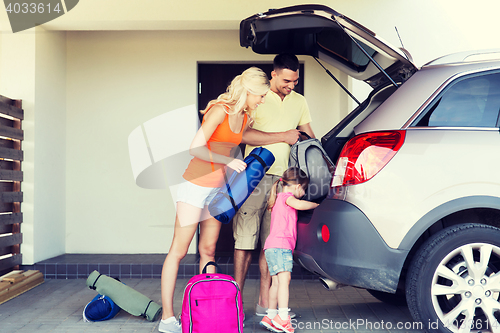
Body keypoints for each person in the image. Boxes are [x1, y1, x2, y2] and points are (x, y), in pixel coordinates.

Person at [158, 67, 270, 333]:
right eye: (261, 95)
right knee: (179, 251)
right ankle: (167, 318)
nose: (262, 100)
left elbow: (232, 147)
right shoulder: (221, 109)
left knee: (208, 250)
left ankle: (206, 312)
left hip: (216, 191)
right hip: (195, 186)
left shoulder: (244, 118)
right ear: (250, 90)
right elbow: (195, 147)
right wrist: (229, 160)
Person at [233, 54, 315, 317]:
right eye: (287, 80)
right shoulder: (258, 97)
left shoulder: (299, 101)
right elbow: (243, 134)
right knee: (245, 242)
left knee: (272, 245)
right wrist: (283, 136)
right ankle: (233, 305)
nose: (291, 85)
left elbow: (310, 135)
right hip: (255, 178)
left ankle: (264, 306)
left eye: (295, 81)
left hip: (284, 184)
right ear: (274, 74)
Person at [259, 167, 319, 333]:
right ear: (298, 186)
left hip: (271, 247)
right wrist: (317, 205)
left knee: (276, 283)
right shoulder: (288, 197)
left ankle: (270, 316)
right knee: (285, 281)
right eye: (304, 190)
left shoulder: (278, 197)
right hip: (281, 246)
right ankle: (283, 318)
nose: (303, 193)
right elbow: (299, 205)